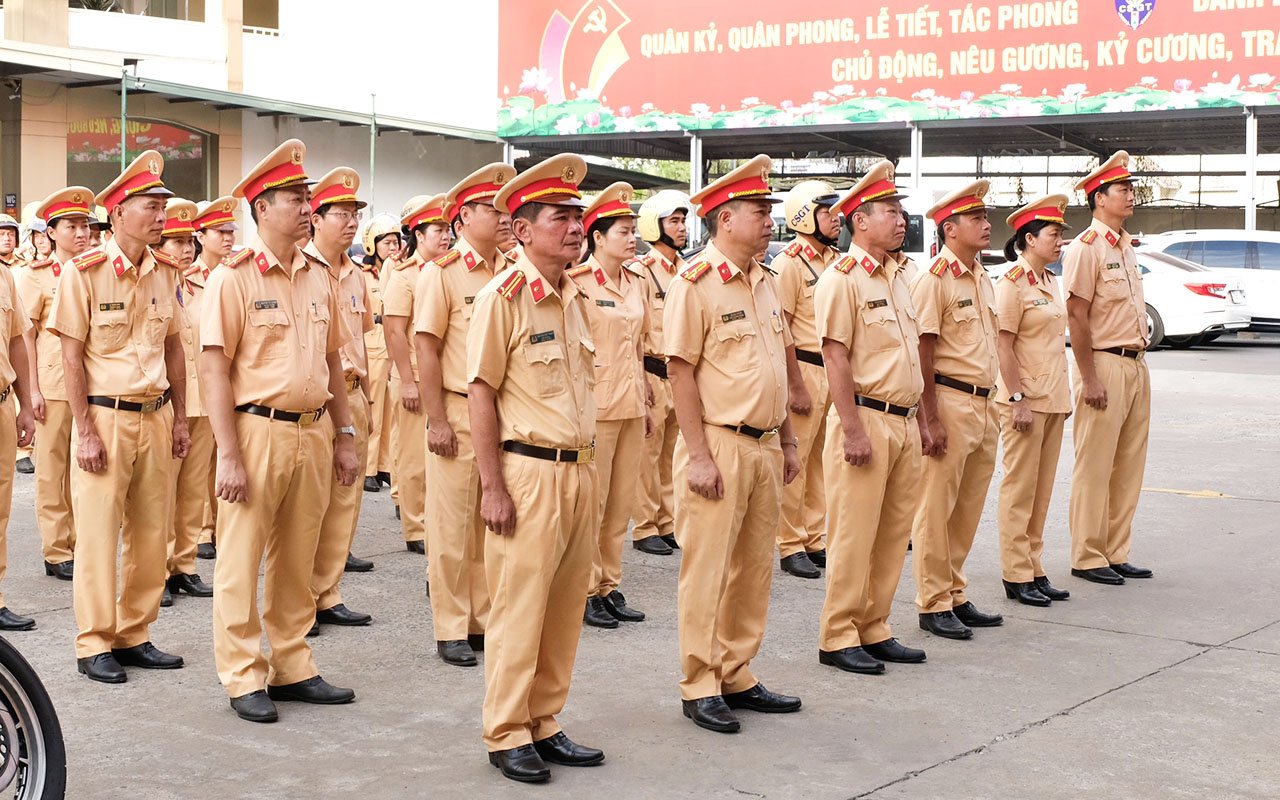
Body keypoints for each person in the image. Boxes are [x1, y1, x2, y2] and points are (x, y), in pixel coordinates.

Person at [201, 139, 359, 723]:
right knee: (240, 558)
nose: (306, 207)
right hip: (256, 429)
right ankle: (243, 673)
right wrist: (227, 455)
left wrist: (345, 433)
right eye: (295, 198)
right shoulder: (233, 277)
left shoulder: (319, 276)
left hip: (313, 430)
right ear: (262, 206)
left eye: (307, 197)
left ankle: (292, 664)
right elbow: (214, 367)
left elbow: (335, 361)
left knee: (298, 554)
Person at [469, 153, 604, 783]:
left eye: (578, 216)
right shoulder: (505, 296)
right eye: (561, 216)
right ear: (522, 230)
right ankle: (506, 730)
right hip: (527, 472)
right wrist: (492, 486)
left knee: (563, 605)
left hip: (580, 469)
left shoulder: (576, 293)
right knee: (520, 607)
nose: (576, 227)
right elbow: (481, 393)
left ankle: (546, 720)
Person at [665, 154, 803, 735]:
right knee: (709, 569)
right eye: (759, 210)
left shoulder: (766, 281)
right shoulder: (694, 283)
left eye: (770, 209)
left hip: (767, 444)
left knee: (752, 567)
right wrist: (697, 455)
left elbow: (777, 365)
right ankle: (700, 682)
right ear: (724, 220)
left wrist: (790, 441)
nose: (770, 219)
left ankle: (737, 671)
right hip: (719, 443)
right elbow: (680, 372)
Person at [49, 151, 191, 684]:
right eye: (150, 206)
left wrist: (179, 417)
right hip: (105, 419)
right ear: (117, 212)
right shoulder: (82, 274)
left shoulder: (164, 273)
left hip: (155, 415)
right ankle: (93, 642)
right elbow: (70, 356)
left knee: (152, 533)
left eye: (162, 205)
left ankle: (135, 633)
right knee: (98, 533)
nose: (161, 215)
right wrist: (83, 429)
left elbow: (174, 347)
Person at [813, 161, 929, 675]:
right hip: (866, 418)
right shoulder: (843, 279)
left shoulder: (898, 275)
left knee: (891, 533)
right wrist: (853, 428)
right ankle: (838, 634)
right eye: (889, 211)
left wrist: (923, 421)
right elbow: (834, 356)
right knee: (854, 534)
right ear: (860, 220)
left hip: (902, 420)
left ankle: (874, 625)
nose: (901, 220)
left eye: (901, 211)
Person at [414, 162, 514, 667]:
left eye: (504, 208)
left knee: (489, 522)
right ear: (462, 218)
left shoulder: (513, 270)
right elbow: (426, 349)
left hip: (502, 415)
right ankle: (451, 624)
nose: (502, 217)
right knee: (451, 526)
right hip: (455, 409)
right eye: (491, 209)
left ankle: (481, 618)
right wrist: (435, 420)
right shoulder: (442, 273)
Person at [910, 180, 1005, 641]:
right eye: (977, 220)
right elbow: (923, 353)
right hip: (948, 400)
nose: (987, 226)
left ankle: (954, 591)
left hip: (984, 404)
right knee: (936, 508)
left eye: (985, 218)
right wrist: (929, 419)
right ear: (950, 228)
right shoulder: (934, 280)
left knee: (967, 507)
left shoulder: (981, 275)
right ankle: (932, 601)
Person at [1063, 151, 1154, 585]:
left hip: (1135, 364)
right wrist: (1089, 377)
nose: (1131, 195)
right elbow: (1077, 316)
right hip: (1104, 363)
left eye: (1131, 188)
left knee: (1128, 464)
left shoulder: (1124, 246)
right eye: (1123, 190)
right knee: (1095, 464)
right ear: (1099, 198)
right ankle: (1087, 554)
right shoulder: (1086, 249)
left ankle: (1116, 550)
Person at [567, 182, 651, 629]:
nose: (631, 236)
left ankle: (609, 585)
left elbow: (637, 345)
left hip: (632, 405)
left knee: (621, 504)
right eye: (622, 229)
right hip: (595, 408)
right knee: (592, 506)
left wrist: (648, 402)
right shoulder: (578, 284)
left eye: (633, 228)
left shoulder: (638, 282)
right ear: (597, 237)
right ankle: (584, 589)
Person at [305, 166, 376, 632]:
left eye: (355, 214)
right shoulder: (303, 266)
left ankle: (328, 592)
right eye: (341, 213)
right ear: (316, 218)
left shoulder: (356, 275)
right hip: (314, 402)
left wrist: (368, 398)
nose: (351, 222)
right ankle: (300, 600)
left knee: (344, 503)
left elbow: (361, 341)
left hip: (353, 396)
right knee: (306, 509)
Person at [994, 195, 1074, 606]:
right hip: (1026, 401)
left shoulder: (1049, 282)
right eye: (1053, 235)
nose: (1060, 242)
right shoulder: (1012, 284)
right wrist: (1017, 398)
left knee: (1041, 491)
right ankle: (1016, 572)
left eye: (1061, 235)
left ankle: (1035, 566)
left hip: (1054, 397)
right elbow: (1003, 346)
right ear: (1029, 239)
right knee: (1019, 488)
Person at [16, 189, 93, 581]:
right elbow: (24, 334)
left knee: (85, 471)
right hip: (51, 384)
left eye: (85, 226)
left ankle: (81, 543)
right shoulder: (38, 276)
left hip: (89, 385)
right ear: (52, 231)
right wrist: (31, 391)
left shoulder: (95, 270)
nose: (81, 233)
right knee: (51, 471)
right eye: (72, 226)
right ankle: (57, 549)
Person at [772, 180, 842, 579]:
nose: (835, 219)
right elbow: (780, 328)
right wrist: (794, 384)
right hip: (805, 367)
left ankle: (814, 536)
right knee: (796, 460)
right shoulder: (789, 264)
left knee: (821, 463)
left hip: (832, 370)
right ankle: (790, 541)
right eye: (826, 211)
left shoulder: (834, 259)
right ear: (805, 216)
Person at [156, 198, 214, 607]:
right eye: (175, 240)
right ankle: (155, 569)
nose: (185, 248)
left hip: (204, 402)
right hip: (166, 404)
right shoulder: (153, 284)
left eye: (189, 240)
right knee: (159, 492)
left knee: (193, 491)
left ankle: (184, 565)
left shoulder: (205, 286)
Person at [385, 194, 450, 555]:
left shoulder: (446, 271)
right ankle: (416, 527)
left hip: (440, 377)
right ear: (419, 234)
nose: (445, 236)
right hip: (411, 375)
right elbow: (395, 332)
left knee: (440, 456)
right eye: (437, 230)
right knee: (413, 456)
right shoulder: (404, 276)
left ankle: (435, 521)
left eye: (446, 229)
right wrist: (407, 380)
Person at [631, 190, 689, 556]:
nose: (682, 228)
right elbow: (633, 329)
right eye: (675, 221)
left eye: (683, 221)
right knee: (647, 455)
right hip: (651, 370)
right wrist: (639, 377)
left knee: (672, 452)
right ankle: (645, 525)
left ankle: (667, 521)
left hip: (679, 374)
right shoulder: (640, 271)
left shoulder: (685, 270)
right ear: (655, 226)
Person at [190, 196, 239, 561]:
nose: (227, 238)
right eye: (219, 232)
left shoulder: (237, 276)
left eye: (230, 231)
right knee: (197, 468)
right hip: (195, 387)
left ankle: (222, 525)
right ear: (201, 236)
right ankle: (201, 530)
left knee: (224, 456)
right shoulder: (185, 280)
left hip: (227, 387)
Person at [0, 213, 36, 630]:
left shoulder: (5, 276)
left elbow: (16, 341)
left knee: (0, 508)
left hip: (2, 404)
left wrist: (26, 404)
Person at [360, 215, 398, 493]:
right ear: (373, 246)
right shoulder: (362, 276)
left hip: (393, 352)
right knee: (373, 411)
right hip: (372, 350)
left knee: (391, 414)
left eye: (396, 241)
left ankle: (385, 465)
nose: (393, 247)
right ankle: (369, 468)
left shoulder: (398, 272)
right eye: (386, 242)